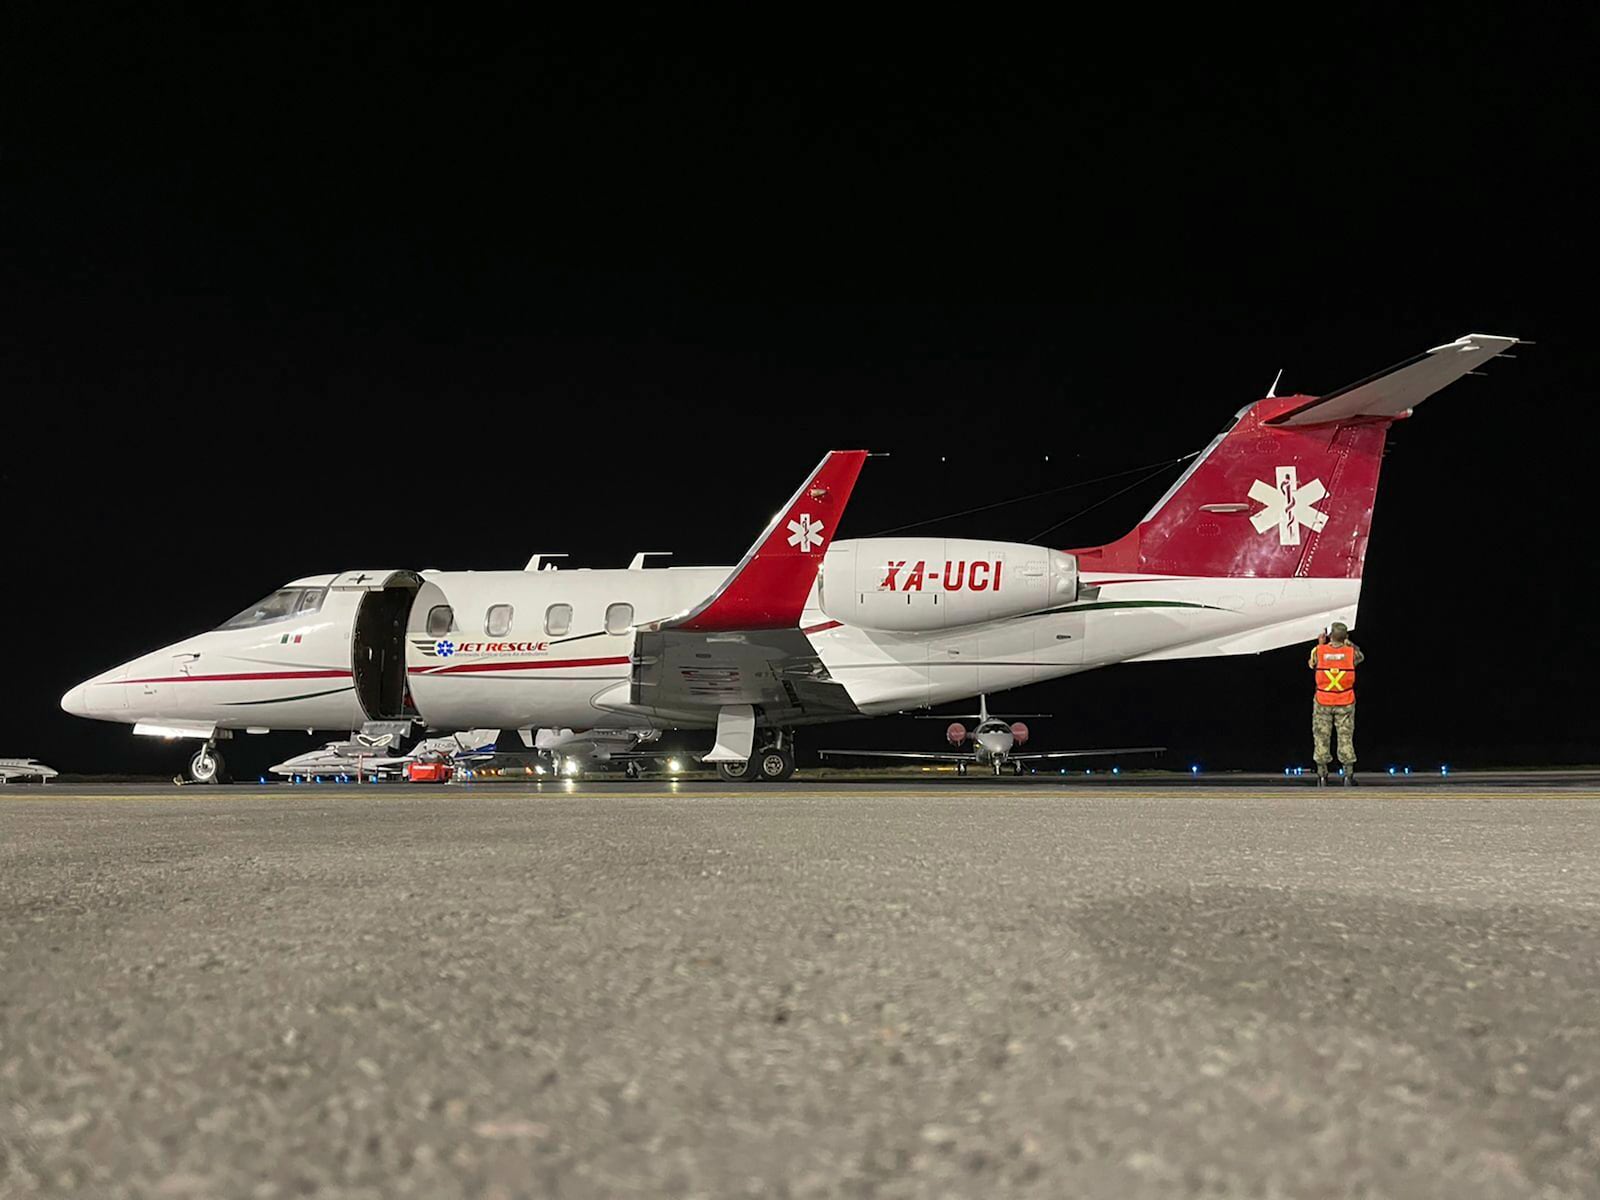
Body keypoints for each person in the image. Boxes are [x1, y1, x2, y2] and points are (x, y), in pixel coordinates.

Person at [1309, 622, 1363, 786]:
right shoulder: (1351, 653)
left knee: (1321, 737)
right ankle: (1348, 775)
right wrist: (1349, 644)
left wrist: (1321, 644)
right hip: (1344, 701)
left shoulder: (1319, 650)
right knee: (1345, 737)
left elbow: (1312, 664)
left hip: (1323, 701)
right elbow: (1361, 657)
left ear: (1330, 635)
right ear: (1346, 637)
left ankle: (1322, 776)